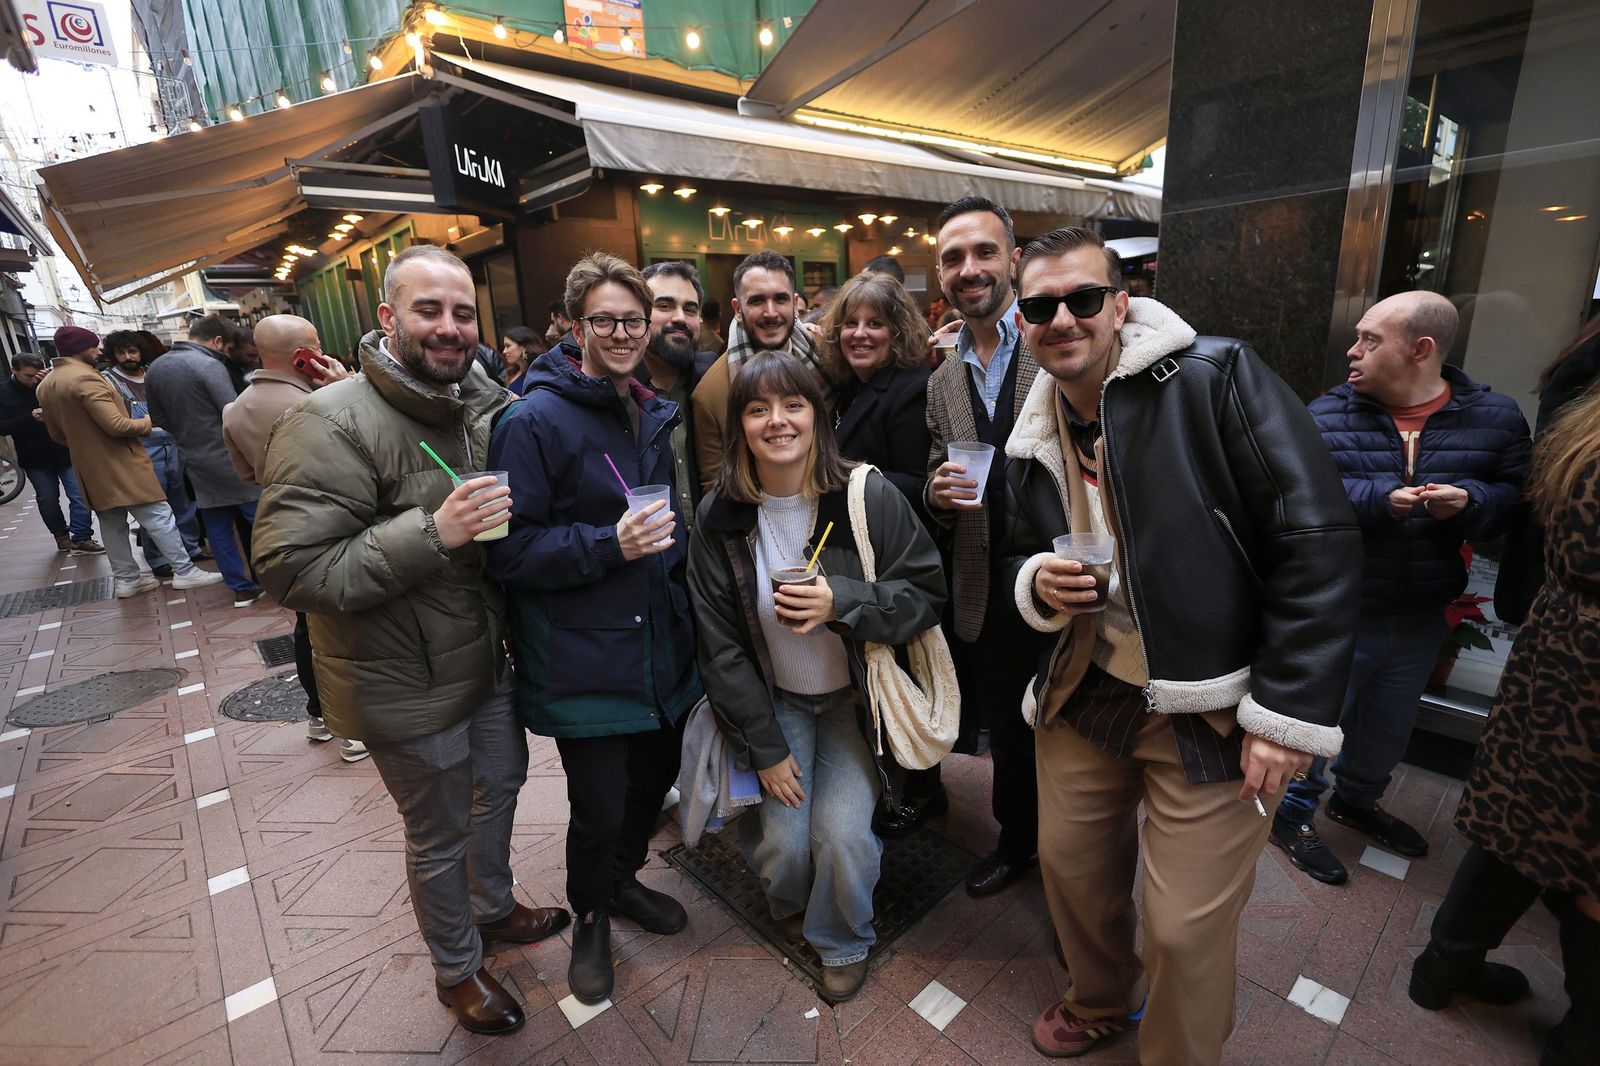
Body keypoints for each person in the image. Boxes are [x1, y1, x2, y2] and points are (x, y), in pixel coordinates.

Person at [1001, 227, 1361, 1061]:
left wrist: (1287, 712)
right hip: (1089, 683)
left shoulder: (1212, 377)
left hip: (1214, 698)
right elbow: (1027, 543)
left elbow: (1317, 538)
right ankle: (1099, 1000)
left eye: (1083, 299)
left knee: (1185, 932)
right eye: (1040, 306)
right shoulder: (1036, 424)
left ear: (1121, 304)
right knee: (1072, 874)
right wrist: (1038, 583)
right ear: (1021, 322)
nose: (1063, 318)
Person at [252, 245, 567, 1036]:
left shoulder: (482, 405)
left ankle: (492, 908)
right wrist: (435, 530)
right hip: (403, 680)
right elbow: (289, 570)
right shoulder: (326, 419)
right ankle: (455, 970)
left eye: (463, 312)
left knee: (503, 784)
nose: (449, 327)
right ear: (388, 319)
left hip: (485, 658)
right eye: (429, 310)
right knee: (438, 832)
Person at [687, 352, 945, 1004]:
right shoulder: (720, 519)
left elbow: (924, 595)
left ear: (818, 415)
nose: (778, 421)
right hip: (776, 702)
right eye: (757, 408)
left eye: (793, 404)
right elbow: (721, 649)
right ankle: (791, 900)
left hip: (855, 700)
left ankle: (842, 939)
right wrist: (765, 749)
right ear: (739, 424)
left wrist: (844, 603)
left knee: (843, 840)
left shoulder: (866, 496)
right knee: (782, 845)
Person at [486, 253, 701, 1007]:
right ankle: (592, 917)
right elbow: (508, 551)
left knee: (650, 789)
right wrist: (610, 544)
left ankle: (622, 882)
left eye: (633, 321)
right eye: (604, 320)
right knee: (599, 807)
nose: (621, 332)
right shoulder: (531, 419)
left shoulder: (647, 405)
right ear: (575, 326)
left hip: (658, 650)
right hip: (585, 661)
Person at [1270, 292, 1530, 886]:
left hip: (1420, 610)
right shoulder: (1326, 414)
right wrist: (1378, 501)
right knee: (1318, 723)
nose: (1352, 350)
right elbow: (1291, 499)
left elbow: (1518, 502)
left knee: (1388, 726)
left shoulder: (1495, 418)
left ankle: (1357, 801)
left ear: (1422, 349)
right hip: (1341, 608)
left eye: (1369, 340)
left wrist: (1473, 502)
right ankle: (1291, 815)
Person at [1408, 380, 1600, 1066]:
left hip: (1560, 649)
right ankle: (1586, 1035)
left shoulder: (1586, 430)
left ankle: (1443, 966)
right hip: (1586, 667)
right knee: (1583, 855)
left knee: (1524, 822)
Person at [920, 196, 1042, 889]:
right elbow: (939, 465)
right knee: (1007, 731)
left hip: (1060, 584)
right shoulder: (942, 379)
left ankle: (1079, 868)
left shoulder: (1055, 342)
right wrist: (935, 495)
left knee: (1074, 740)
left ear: (1015, 261)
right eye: (953, 257)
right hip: (983, 588)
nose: (970, 269)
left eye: (984, 252)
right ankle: (1018, 840)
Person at [221, 315, 364, 763]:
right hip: (341, 518)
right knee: (350, 625)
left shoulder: (235, 409)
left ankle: (318, 715)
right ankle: (353, 728)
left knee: (308, 625)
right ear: (305, 354)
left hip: (280, 522)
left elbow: (245, 474)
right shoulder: (325, 401)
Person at [35, 326, 223, 599]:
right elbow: (116, 425)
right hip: (121, 460)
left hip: (88, 466)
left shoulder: (47, 384)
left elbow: (56, 434)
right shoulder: (86, 379)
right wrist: (154, 421)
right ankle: (184, 571)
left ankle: (127, 581)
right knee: (159, 516)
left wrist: (86, 446)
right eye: (93, 347)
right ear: (80, 349)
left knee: (112, 524)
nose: (98, 351)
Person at [145, 316, 266, 607]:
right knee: (263, 520)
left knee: (218, 527)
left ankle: (240, 588)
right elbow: (232, 411)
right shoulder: (209, 365)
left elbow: (158, 419)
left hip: (193, 458)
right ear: (218, 341)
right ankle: (282, 578)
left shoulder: (156, 368)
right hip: (230, 457)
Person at [691, 251, 824, 493]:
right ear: (738, 308)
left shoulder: (828, 360)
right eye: (757, 301)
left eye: (780, 299)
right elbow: (717, 489)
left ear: (795, 305)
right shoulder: (711, 394)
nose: (770, 312)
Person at [818, 271, 932, 512]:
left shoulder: (912, 389)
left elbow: (918, 485)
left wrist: (836, 477)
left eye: (875, 323)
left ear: (897, 332)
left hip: (885, 540)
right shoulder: (848, 382)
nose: (860, 333)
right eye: (851, 323)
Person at [100, 330, 204, 572]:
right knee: (153, 507)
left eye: (132, 351)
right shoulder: (109, 381)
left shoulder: (153, 373)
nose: (128, 357)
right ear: (113, 355)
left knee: (182, 502)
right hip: (142, 448)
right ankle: (159, 560)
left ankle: (190, 548)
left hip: (173, 444)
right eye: (121, 352)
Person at [0, 352, 102, 554]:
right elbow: (2, 427)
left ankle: (82, 537)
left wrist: (49, 385)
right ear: (14, 370)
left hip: (65, 450)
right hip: (34, 457)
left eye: (36, 375)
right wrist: (30, 417)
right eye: (28, 375)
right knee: (47, 499)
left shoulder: (50, 384)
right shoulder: (3, 393)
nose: (33, 380)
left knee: (79, 495)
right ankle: (61, 536)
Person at [636, 261, 710, 531]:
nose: (680, 317)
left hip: (710, 554)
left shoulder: (713, 382)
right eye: (664, 306)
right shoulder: (618, 392)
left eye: (690, 309)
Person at [500, 326, 541, 395]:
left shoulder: (537, 372)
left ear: (523, 346)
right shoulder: (512, 371)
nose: (504, 351)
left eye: (508, 346)